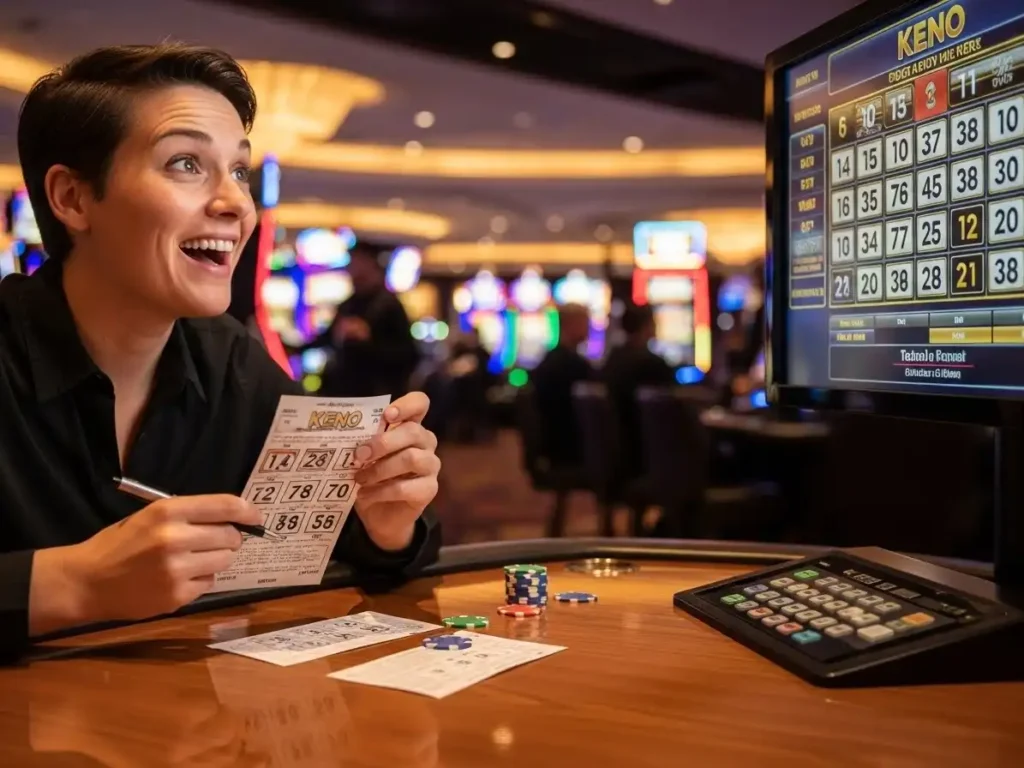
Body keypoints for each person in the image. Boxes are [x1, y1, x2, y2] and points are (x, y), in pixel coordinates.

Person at [0, 44, 442, 663]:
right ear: (72, 198)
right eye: (185, 163)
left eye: (239, 171)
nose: (236, 204)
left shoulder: (234, 366)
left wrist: (387, 518)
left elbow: (361, 555)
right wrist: (76, 583)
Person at [302, 241, 419, 398]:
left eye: (357, 262)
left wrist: (367, 339)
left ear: (371, 265)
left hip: (376, 396)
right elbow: (327, 339)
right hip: (342, 393)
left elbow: (408, 355)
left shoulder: (388, 305)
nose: (351, 269)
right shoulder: (348, 304)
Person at [601, 303, 676, 483]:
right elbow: (675, 409)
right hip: (646, 456)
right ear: (648, 325)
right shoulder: (652, 364)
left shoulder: (612, 360)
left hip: (618, 453)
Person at [530, 303, 593, 467]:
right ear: (571, 324)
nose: (589, 329)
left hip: (553, 445)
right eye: (586, 323)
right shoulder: (573, 366)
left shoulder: (549, 359)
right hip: (569, 447)